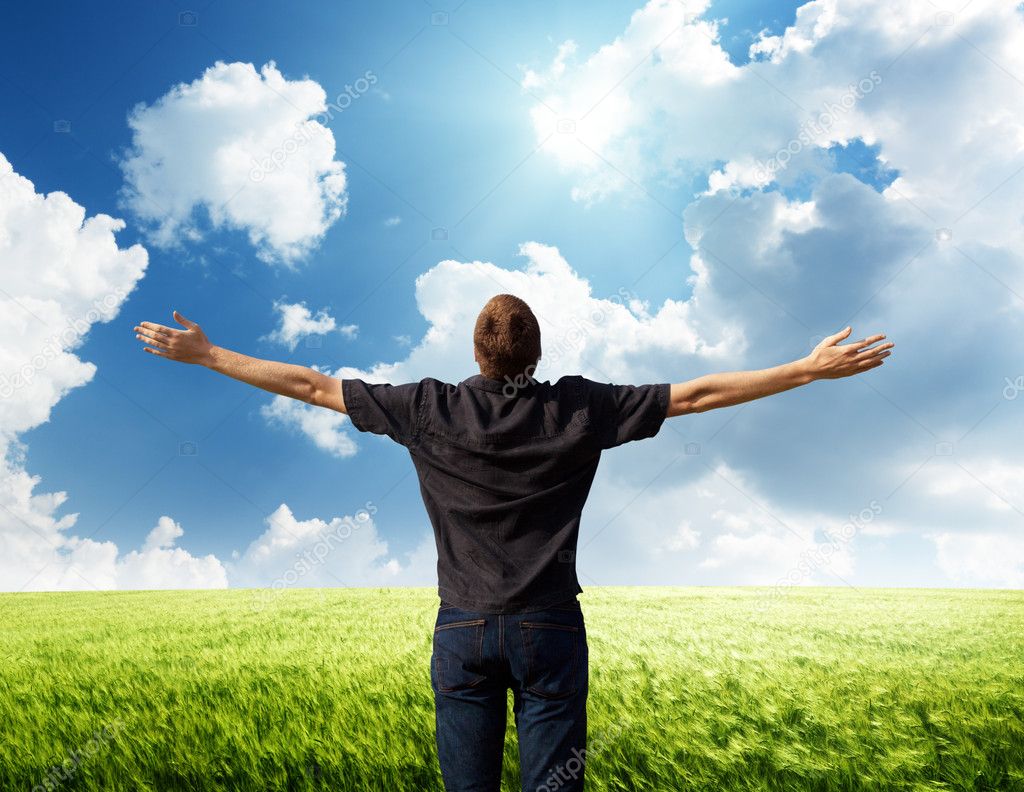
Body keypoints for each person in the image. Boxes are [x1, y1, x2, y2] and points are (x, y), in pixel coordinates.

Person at [134, 295, 892, 791]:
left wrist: (208, 356)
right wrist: (804, 369)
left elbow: (310, 386)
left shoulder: (427, 407)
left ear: (476, 351)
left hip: (461, 629)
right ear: (537, 351)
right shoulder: (581, 407)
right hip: (551, 628)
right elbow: (697, 395)